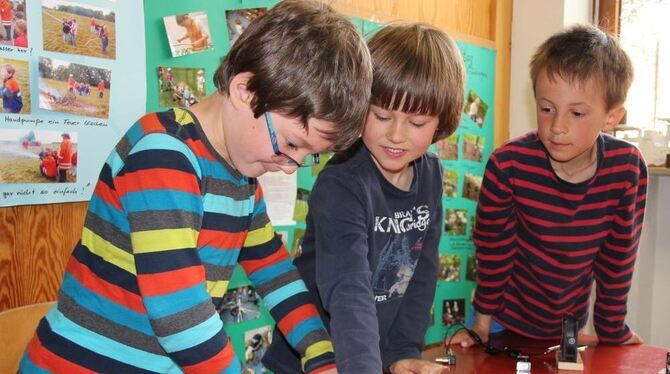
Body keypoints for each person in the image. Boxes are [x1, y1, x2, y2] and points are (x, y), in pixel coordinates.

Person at [19, 1, 372, 372]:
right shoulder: (163, 155)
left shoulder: (242, 181)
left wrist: (320, 354)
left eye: (308, 155)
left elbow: (277, 275)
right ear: (246, 91)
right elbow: (180, 316)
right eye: (291, 144)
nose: (290, 168)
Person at [264, 22, 466, 373]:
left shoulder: (431, 177)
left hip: (370, 358)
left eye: (416, 123)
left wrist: (402, 352)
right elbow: (348, 290)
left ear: (441, 122)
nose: (397, 135)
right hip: (310, 360)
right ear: (359, 107)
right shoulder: (341, 185)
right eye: (382, 116)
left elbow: (420, 275)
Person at [449, 24, 646, 348]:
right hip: (500, 320)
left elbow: (618, 257)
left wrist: (612, 330)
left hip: (567, 328)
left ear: (612, 116)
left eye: (577, 113)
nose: (557, 127)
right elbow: (494, 249)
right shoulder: (509, 166)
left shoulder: (626, 169)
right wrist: (481, 323)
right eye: (546, 109)